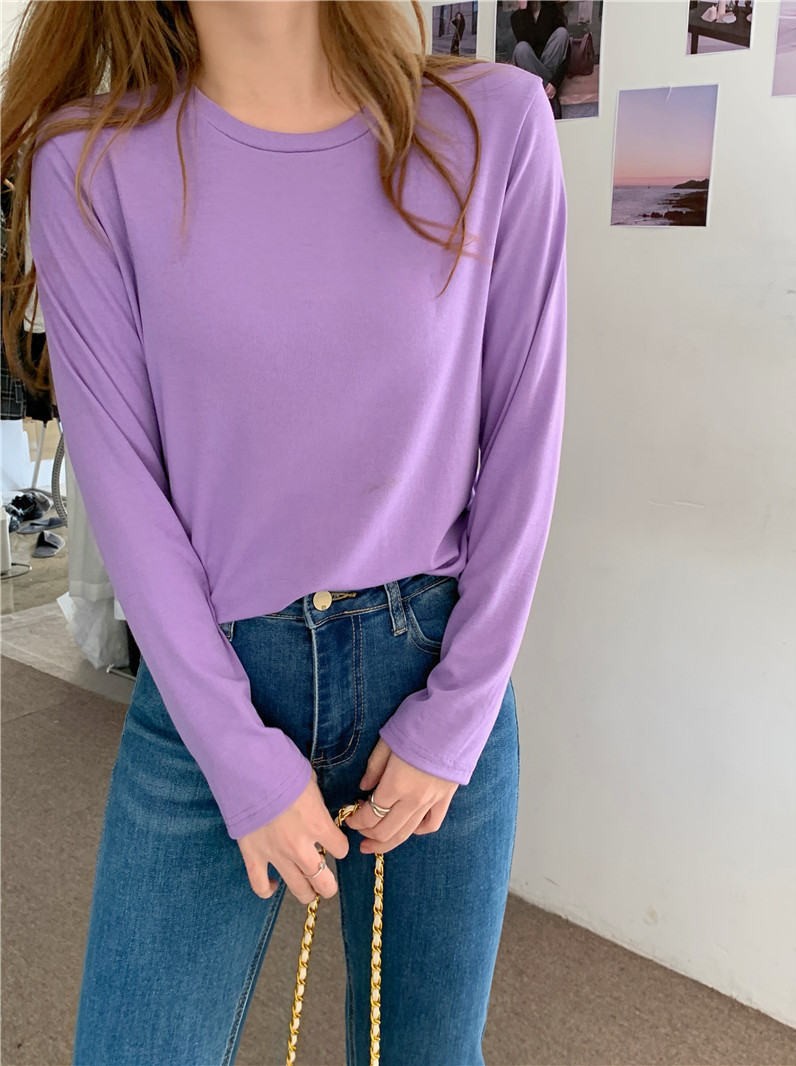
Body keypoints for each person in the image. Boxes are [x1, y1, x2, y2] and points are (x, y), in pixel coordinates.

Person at [2, 1, 567, 1063]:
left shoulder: (493, 123)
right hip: (211, 682)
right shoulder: (87, 165)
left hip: (432, 666)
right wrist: (234, 750)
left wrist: (456, 714)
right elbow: (123, 489)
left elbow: (523, 441)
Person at [510, 0, 572, 118]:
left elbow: (565, 51)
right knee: (521, 48)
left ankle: (544, 91)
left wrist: (555, 83)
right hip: (530, 64)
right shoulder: (516, 17)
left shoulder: (552, 9)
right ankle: (548, 96)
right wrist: (523, 9)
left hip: (550, 62)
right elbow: (527, 40)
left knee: (562, 33)